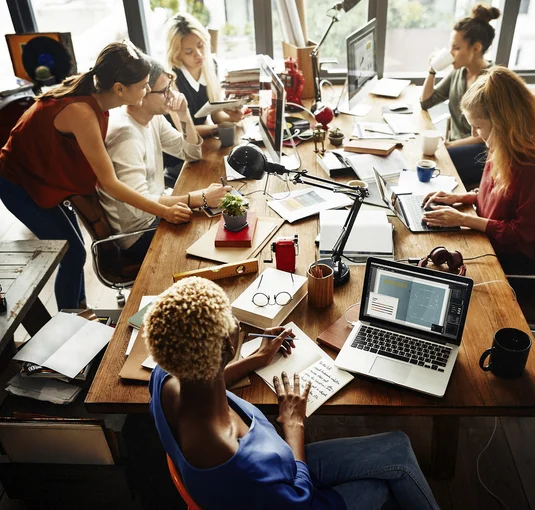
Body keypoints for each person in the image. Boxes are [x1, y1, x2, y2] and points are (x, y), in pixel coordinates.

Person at [146, 277, 439, 510]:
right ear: (225, 347)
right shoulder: (241, 461)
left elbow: (204, 377)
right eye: (231, 319)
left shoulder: (165, 376)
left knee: (397, 448)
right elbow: (300, 500)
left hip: (266, 482)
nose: (236, 322)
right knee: (381, 484)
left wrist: (255, 360)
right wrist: (293, 423)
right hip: (290, 490)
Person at [0, 42, 192, 311]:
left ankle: (80, 310)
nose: (148, 90)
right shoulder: (81, 113)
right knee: (73, 252)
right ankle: (70, 318)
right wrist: (164, 211)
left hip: (46, 173)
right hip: (17, 182)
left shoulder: (96, 97)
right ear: (119, 89)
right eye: (144, 85)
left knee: (74, 247)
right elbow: (111, 183)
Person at [422, 66, 535, 275]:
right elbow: (497, 199)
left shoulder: (532, 169)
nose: (475, 133)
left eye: (478, 126)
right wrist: (461, 198)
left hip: (511, 262)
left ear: (503, 123)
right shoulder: (499, 147)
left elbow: (522, 234)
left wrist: (463, 219)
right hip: (488, 240)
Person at [99, 59, 231, 258]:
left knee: (222, 225)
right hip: (139, 234)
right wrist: (200, 198)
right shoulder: (125, 136)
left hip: (157, 215)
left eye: (170, 87)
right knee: (216, 236)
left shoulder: (153, 118)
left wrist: (184, 114)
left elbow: (191, 153)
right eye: (164, 91)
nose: (171, 95)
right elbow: (141, 208)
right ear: (142, 93)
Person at [420, 4, 501, 188]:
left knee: (433, 165)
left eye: (456, 48)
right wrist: (432, 69)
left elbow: (488, 135)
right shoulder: (459, 73)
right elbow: (425, 102)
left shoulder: (492, 81)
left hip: (482, 152)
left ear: (476, 48)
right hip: (454, 146)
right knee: (428, 158)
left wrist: (448, 146)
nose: (450, 53)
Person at [163, 12, 248, 182]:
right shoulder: (170, 79)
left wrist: (231, 117)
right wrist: (219, 128)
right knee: (223, 176)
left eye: (200, 46)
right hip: (180, 157)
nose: (199, 54)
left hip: (202, 144)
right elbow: (185, 132)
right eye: (189, 51)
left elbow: (216, 116)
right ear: (177, 53)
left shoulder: (210, 65)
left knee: (240, 168)